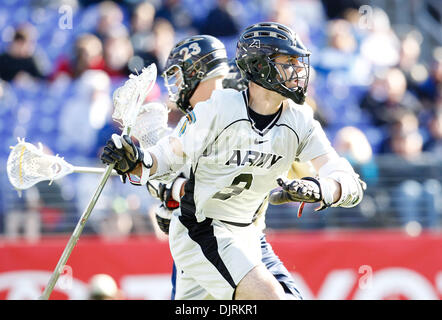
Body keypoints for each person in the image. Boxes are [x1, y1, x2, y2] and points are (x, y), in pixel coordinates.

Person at [101, 22, 366, 300]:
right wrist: (135, 160)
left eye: (296, 61)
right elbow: (164, 158)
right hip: (202, 229)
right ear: (259, 66)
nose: (296, 70)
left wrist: (323, 189)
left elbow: (348, 182)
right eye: (286, 61)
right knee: (270, 296)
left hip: (251, 236)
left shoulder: (300, 120)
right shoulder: (219, 108)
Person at [146, 35, 303, 300]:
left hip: (243, 234)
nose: (176, 86)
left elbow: (210, 185)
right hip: (206, 236)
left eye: (180, 75)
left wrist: (173, 191)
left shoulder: (240, 109)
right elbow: (164, 178)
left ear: (197, 73)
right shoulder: (198, 120)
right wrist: (164, 191)